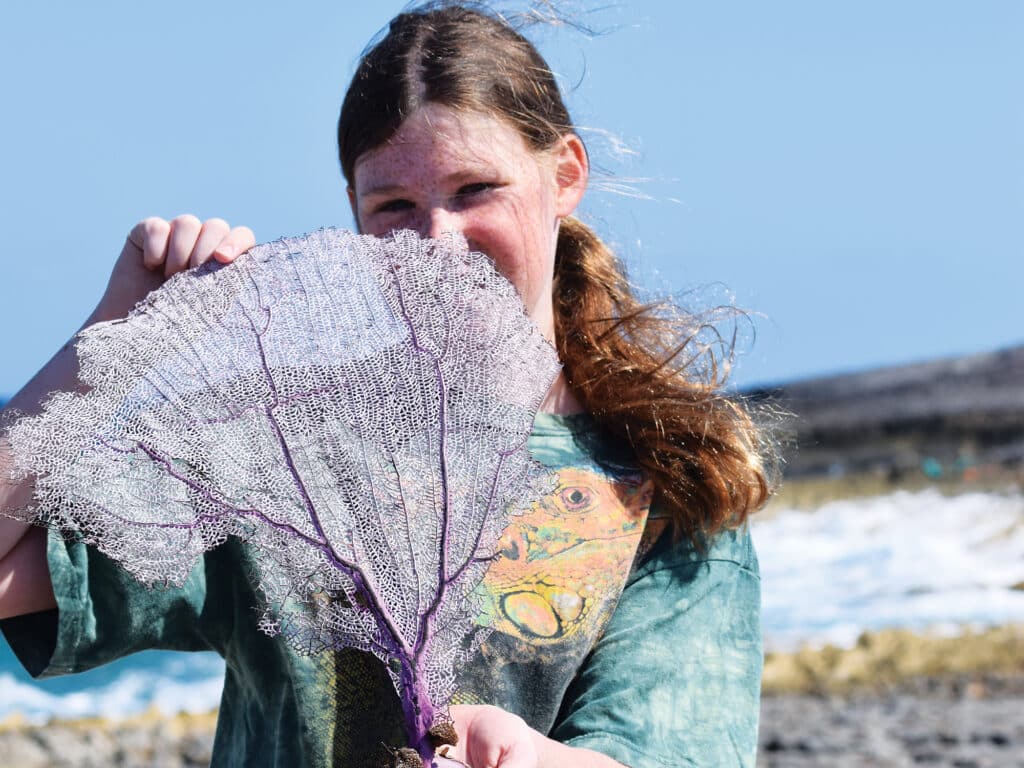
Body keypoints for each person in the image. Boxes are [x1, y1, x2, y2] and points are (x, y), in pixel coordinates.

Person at [0, 5, 772, 766]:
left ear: (564, 174)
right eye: (395, 205)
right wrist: (114, 339)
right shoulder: (283, 453)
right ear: (354, 215)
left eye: (475, 190)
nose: (438, 240)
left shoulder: (667, 476)